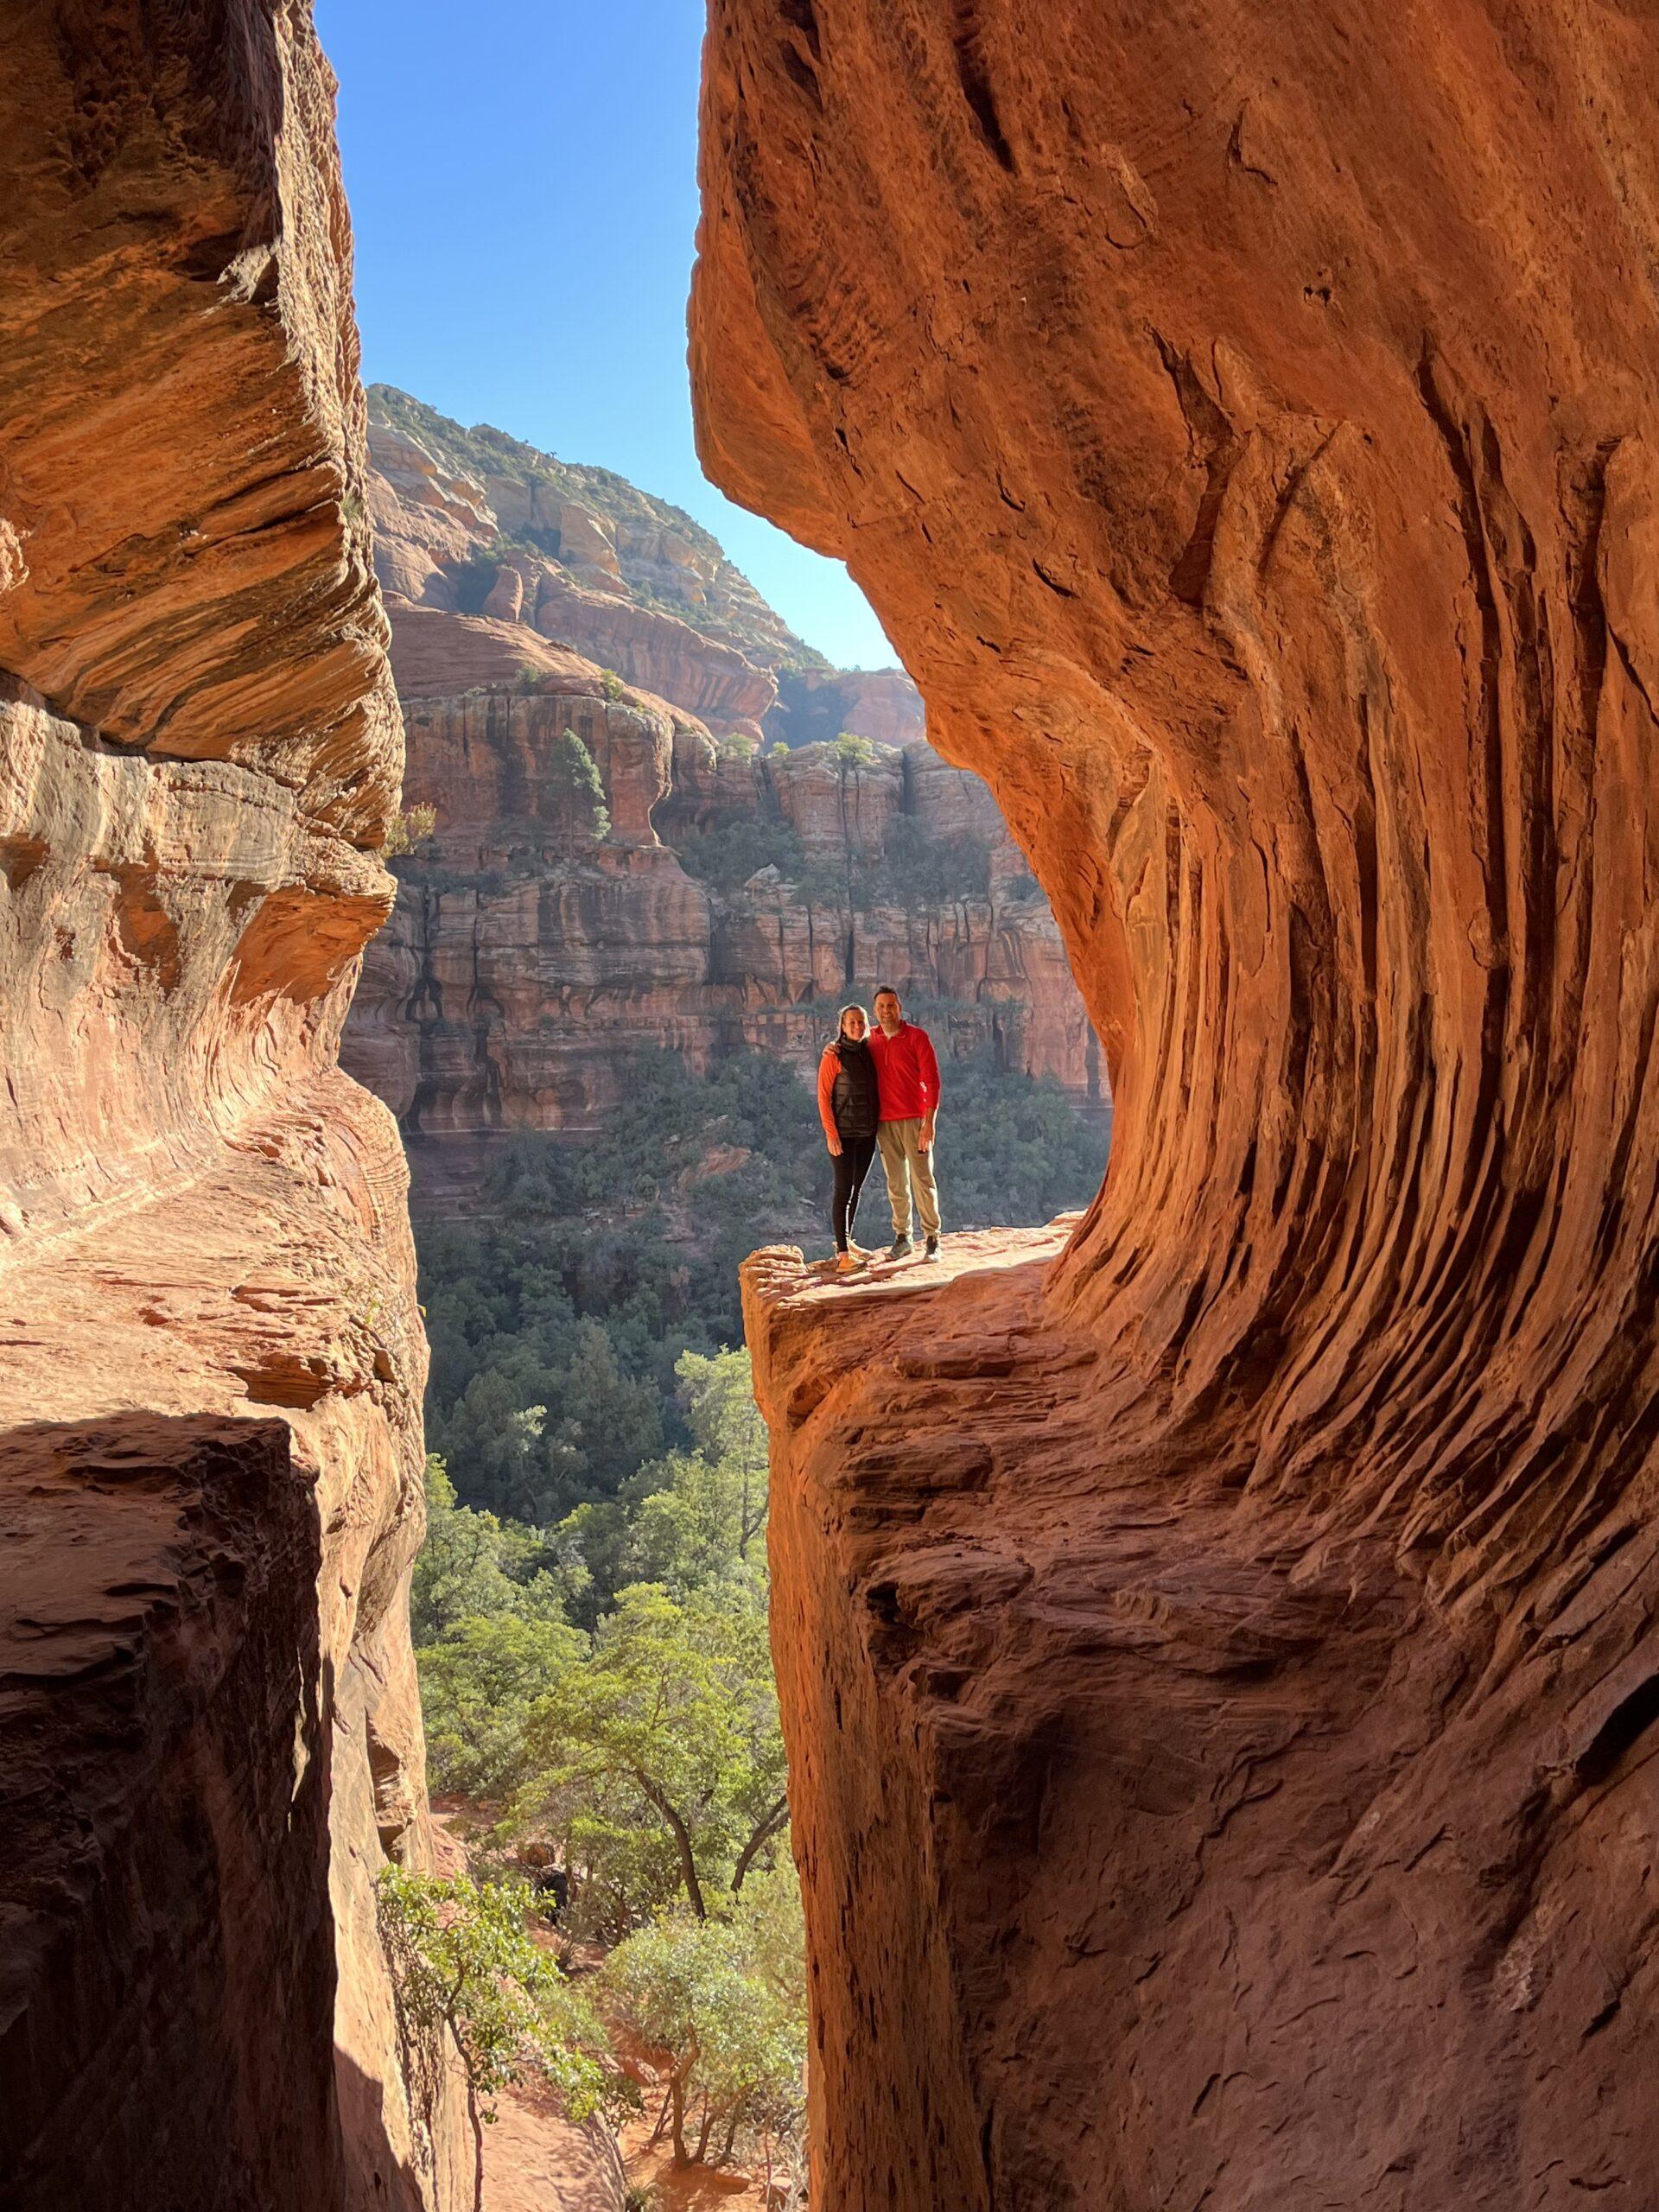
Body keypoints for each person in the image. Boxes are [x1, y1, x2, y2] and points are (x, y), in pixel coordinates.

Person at [868, 985, 942, 1261]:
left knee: (922, 1178)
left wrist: (929, 1123)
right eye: (881, 1007)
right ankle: (903, 1237)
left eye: (891, 1005)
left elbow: (932, 1081)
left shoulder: (917, 1038)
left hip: (915, 1120)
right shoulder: (870, 1040)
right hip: (884, 1123)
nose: (886, 1011)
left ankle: (932, 1239)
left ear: (900, 1008)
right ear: (875, 1011)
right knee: (896, 1182)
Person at [816, 1002, 881, 1274]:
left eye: (861, 1022)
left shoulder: (871, 1050)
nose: (856, 1026)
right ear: (842, 1026)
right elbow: (823, 1097)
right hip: (842, 1135)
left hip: (867, 1133)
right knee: (843, 1191)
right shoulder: (833, 1055)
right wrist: (831, 1135)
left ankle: (848, 1242)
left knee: (856, 1190)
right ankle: (843, 1256)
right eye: (851, 1022)